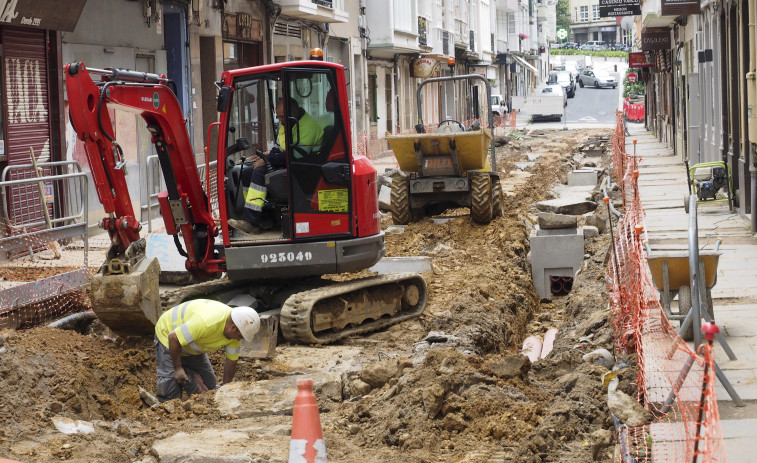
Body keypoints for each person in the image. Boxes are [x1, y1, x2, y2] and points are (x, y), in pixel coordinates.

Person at [229, 97, 323, 235]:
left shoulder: (308, 125)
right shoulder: (288, 123)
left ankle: (252, 223)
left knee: (260, 172)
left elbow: (296, 155)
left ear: (294, 111)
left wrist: (268, 161)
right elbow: (278, 148)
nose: (281, 120)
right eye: (278, 117)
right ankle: (260, 215)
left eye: (283, 117)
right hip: (291, 165)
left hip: (304, 170)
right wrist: (266, 158)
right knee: (247, 173)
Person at [154, 299, 260, 402]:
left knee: (210, 387)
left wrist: (226, 390)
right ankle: (179, 375)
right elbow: (173, 337)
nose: (238, 340)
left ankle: (187, 373)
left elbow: (231, 361)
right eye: (239, 336)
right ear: (233, 328)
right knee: (171, 396)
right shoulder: (207, 322)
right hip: (168, 336)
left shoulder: (235, 333)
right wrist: (177, 368)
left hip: (192, 343)